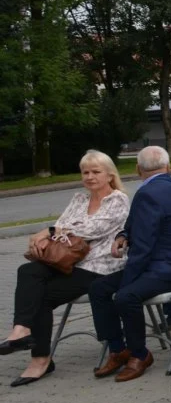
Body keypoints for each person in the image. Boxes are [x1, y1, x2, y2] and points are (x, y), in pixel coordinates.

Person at [3, 151, 130, 385]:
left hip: (99, 267)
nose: (90, 177)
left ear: (110, 175)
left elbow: (93, 229)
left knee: (40, 296)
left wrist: (50, 232)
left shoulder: (118, 199)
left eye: (95, 172)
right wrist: (54, 231)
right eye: (85, 172)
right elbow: (64, 224)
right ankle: (21, 330)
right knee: (27, 271)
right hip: (67, 260)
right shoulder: (79, 199)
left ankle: (40, 359)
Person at [89, 146, 171, 382]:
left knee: (126, 296)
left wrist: (128, 280)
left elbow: (144, 247)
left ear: (138, 169)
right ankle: (118, 350)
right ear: (168, 167)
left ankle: (140, 354)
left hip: (168, 270)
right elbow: (136, 225)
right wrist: (123, 235)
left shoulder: (148, 193)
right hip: (168, 265)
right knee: (99, 288)